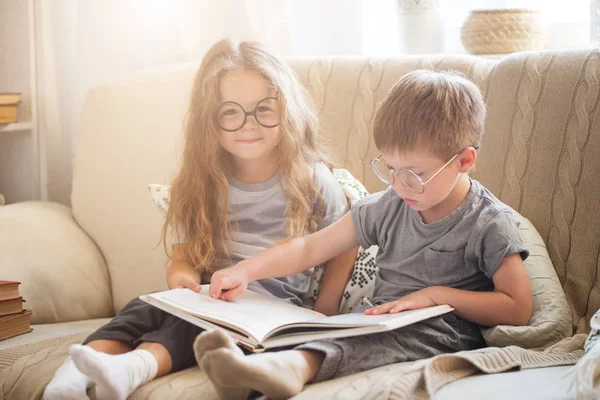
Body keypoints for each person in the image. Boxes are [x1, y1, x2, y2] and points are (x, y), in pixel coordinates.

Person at [43, 39, 356, 400]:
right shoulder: (200, 181)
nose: (248, 124)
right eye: (229, 112)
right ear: (209, 120)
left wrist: (325, 310)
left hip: (268, 312)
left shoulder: (312, 179)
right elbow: (183, 259)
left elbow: (344, 243)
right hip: (208, 295)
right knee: (141, 309)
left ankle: (131, 369)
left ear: (287, 110)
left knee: (198, 329)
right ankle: (69, 379)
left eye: (264, 109)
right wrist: (184, 282)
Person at [195, 69, 533, 400]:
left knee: (361, 339)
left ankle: (291, 369)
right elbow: (308, 249)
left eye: (415, 174)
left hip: (441, 332)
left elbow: (517, 308)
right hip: (377, 320)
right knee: (322, 329)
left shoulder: (488, 222)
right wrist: (246, 270)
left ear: (464, 161)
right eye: (390, 169)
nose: (400, 186)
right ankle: (253, 375)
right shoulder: (390, 204)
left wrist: (436, 295)